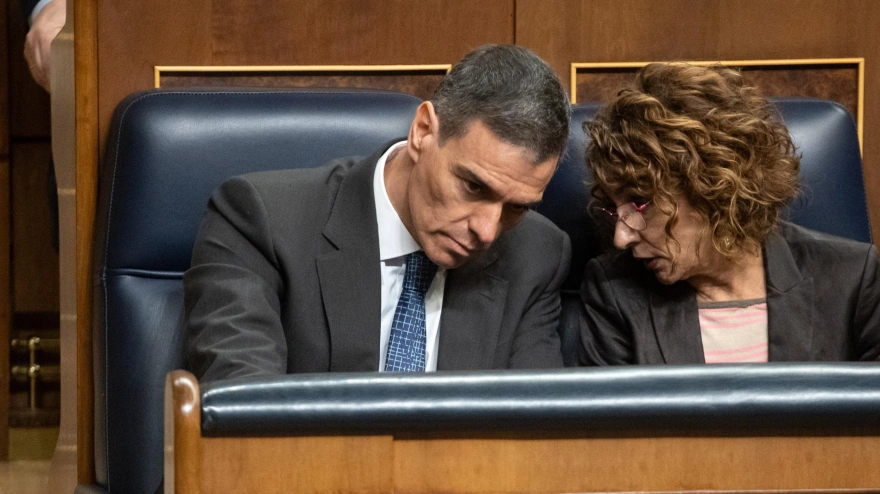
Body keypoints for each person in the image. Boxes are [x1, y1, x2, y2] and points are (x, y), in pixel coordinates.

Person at [186, 45, 572, 382]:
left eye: (516, 206)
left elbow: (533, 440)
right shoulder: (261, 221)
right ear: (422, 132)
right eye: (473, 187)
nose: (487, 230)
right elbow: (246, 423)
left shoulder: (537, 255)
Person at [579, 62, 880, 365]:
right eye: (614, 209)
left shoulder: (852, 280)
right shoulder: (614, 292)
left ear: (713, 186)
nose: (621, 237)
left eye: (640, 203)